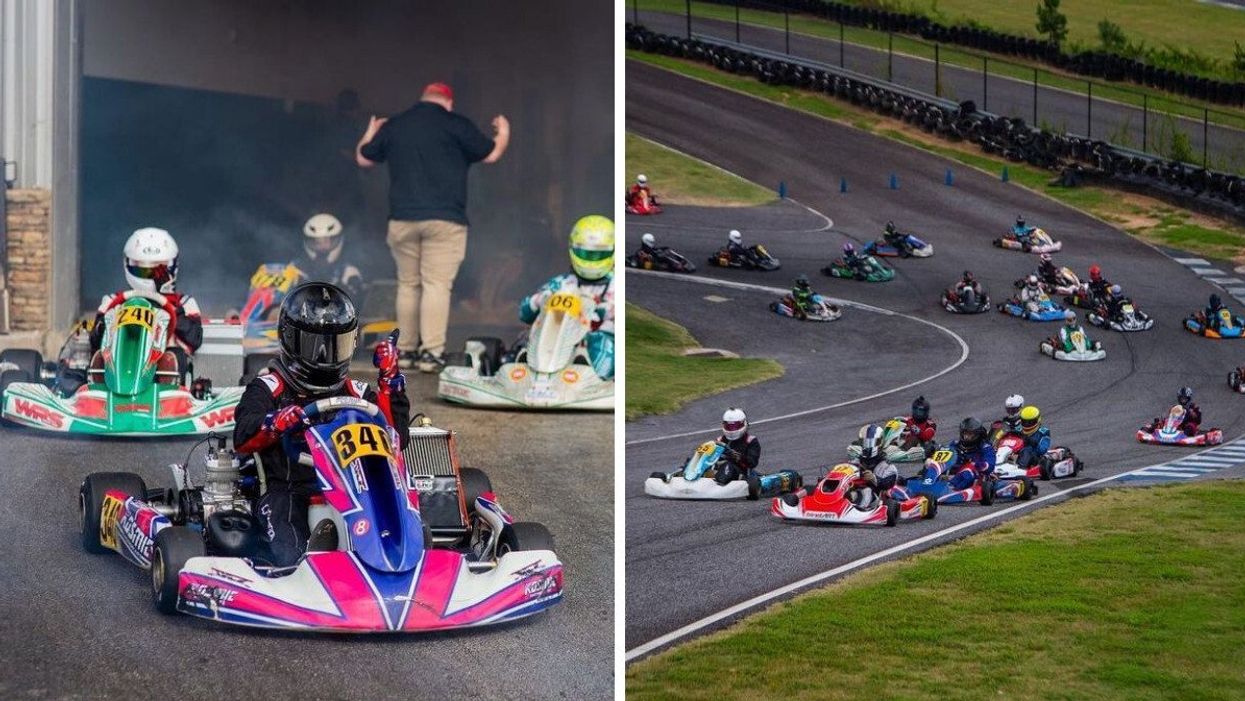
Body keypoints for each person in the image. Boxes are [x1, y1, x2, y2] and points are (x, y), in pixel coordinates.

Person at [233, 282, 410, 567]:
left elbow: (396, 436)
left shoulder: (358, 391)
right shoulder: (268, 388)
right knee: (287, 551)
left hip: (356, 488)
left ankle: (404, 550)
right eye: (316, 346)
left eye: (335, 344)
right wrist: (275, 423)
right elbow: (242, 436)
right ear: (291, 339)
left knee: (400, 506)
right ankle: (310, 560)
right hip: (290, 488)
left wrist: (390, 381)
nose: (326, 356)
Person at [356, 81, 510, 373]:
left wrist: (372, 131)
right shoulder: (456, 125)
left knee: (408, 285)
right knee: (436, 285)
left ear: (423, 98)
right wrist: (503, 131)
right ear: (448, 102)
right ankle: (431, 353)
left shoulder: (397, 125)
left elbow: (364, 157)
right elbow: (490, 154)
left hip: (402, 220)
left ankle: (405, 351)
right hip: (445, 221)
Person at [89, 227, 203, 368]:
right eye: (142, 269)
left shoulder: (184, 303)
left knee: (173, 357)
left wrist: (166, 304)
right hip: (120, 364)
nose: (150, 275)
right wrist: (106, 324)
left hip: (164, 373)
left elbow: (194, 340)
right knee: (98, 358)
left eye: (157, 270)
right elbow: (95, 340)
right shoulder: (114, 301)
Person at [520, 215, 615, 380]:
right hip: (557, 338)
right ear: (573, 250)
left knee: (602, 342)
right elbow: (524, 313)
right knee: (525, 340)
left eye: (598, 255)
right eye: (585, 253)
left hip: (596, 340)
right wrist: (541, 300)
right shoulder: (561, 283)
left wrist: (603, 310)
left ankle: (596, 380)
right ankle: (525, 371)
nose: (591, 261)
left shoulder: (616, 284)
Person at [293, 213, 363, 300]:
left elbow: (352, 303)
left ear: (339, 240)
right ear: (307, 242)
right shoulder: (295, 269)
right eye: (316, 242)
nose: (322, 248)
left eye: (327, 241)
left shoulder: (349, 272)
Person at [851, 424, 898, 509]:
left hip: (876, 499)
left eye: (871, 442)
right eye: (865, 442)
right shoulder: (856, 461)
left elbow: (887, 484)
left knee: (867, 491)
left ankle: (857, 509)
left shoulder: (887, 467)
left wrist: (874, 478)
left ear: (880, 443)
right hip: (855, 492)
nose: (868, 446)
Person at [713, 407, 760, 485]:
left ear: (743, 424)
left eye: (734, 426)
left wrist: (739, 457)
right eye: (728, 426)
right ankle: (688, 477)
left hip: (740, 472)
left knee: (728, 465)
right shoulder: (719, 440)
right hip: (717, 469)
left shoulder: (750, 441)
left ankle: (718, 483)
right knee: (693, 460)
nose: (731, 430)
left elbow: (752, 463)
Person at [946, 417, 996, 491]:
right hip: (953, 471)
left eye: (970, 434)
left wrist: (977, 464)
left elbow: (990, 464)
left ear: (977, 434)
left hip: (975, 474)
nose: (966, 437)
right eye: (965, 433)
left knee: (967, 472)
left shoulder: (985, 447)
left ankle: (951, 490)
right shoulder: (955, 444)